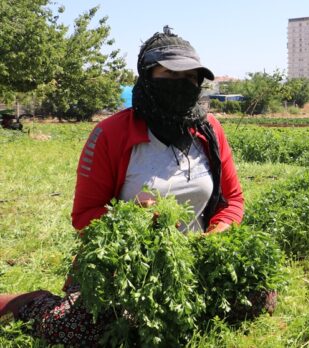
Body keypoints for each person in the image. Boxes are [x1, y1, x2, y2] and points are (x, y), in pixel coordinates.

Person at [0, 27, 247, 345]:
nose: (182, 83)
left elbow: (233, 200)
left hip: (189, 264)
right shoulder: (111, 134)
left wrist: (218, 233)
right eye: (170, 74)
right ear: (147, 77)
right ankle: (27, 304)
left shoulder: (209, 130)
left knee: (257, 297)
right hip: (122, 268)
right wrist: (128, 217)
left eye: (190, 76)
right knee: (90, 329)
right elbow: (84, 215)